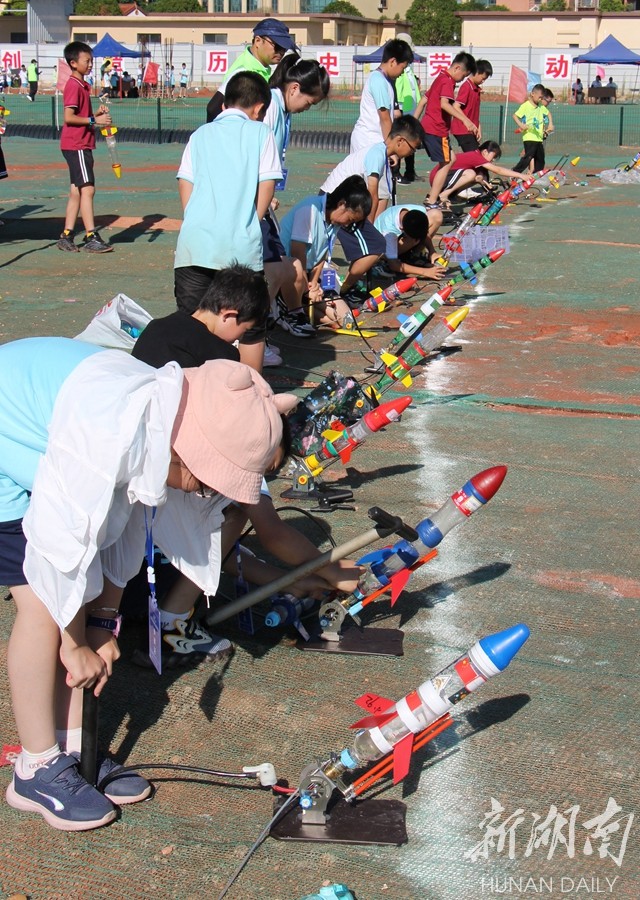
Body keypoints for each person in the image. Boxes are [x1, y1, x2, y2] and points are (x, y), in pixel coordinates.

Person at [0, 336, 291, 831]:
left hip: (43, 436)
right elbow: (60, 551)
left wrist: (104, 623)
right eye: (205, 481)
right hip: (7, 455)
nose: (203, 492)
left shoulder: (156, 423)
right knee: (43, 610)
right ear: (191, 451)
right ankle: (35, 765)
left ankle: (77, 744)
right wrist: (75, 644)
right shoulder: (106, 430)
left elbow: (127, 528)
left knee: (79, 601)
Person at [174, 71, 281, 372]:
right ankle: (250, 398)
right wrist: (250, 221)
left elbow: (186, 182)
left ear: (224, 104)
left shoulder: (200, 135)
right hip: (240, 246)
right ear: (259, 108)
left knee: (193, 322)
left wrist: (195, 218)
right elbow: (267, 185)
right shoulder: (261, 134)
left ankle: (191, 397)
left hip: (195, 245)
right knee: (249, 326)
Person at [319, 116, 428, 300]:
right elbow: (372, 193)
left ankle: (350, 287)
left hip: (342, 202)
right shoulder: (377, 154)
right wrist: (368, 226)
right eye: (413, 148)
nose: (412, 153)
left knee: (374, 244)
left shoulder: (380, 153)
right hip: (337, 205)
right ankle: (344, 290)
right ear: (401, 141)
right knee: (376, 245)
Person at [262, 54, 331, 340]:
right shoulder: (270, 108)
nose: (307, 108)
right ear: (293, 88)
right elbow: (258, 156)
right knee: (273, 269)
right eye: (309, 102)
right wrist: (263, 196)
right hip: (255, 201)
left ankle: (283, 314)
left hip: (263, 199)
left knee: (284, 267)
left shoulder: (282, 110)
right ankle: (258, 330)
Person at [278, 175, 372, 327]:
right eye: (350, 220)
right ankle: (288, 306)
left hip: (308, 276)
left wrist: (314, 284)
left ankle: (300, 303)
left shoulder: (334, 222)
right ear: (341, 204)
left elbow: (323, 255)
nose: (348, 225)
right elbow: (297, 253)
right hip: (291, 272)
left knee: (346, 321)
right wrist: (308, 288)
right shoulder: (310, 210)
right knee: (332, 321)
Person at [57, 41, 113, 254]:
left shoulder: (81, 85)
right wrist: (93, 120)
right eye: (86, 61)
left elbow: (81, 116)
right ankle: (91, 235)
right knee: (87, 189)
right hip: (77, 144)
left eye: (91, 61)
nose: (90, 64)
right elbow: (69, 117)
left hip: (79, 143)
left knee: (76, 192)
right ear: (73, 63)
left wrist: (95, 116)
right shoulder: (73, 85)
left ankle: (66, 235)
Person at [416, 51, 478, 209]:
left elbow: (424, 99)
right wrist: (465, 120)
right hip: (437, 129)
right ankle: (432, 200)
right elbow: (445, 104)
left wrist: (414, 121)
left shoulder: (440, 78)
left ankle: (437, 196)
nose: (462, 79)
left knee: (451, 160)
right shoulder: (448, 81)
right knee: (447, 162)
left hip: (430, 127)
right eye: (463, 76)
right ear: (457, 68)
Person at [206, 18, 296, 122]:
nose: (281, 52)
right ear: (258, 41)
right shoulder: (244, 71)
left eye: (284, 48)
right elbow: (213, 109)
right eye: (277, 46)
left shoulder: (260, 68)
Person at [350, 38, 414, 153]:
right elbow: (385, 118)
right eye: (402, 68)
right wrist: (391, 149)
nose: (402, 73)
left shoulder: (386, 80)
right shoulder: (378, 80)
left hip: (375, 141)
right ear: (393, 61)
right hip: (368, 142)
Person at [429, 140, 524, 205]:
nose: (493, 160)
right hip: (438, 178)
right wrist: (521, 175)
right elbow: (497, 170)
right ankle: (444, 195)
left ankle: (451, 195)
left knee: (476, 176)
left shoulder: (476, 157)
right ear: (485, 152)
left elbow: (479, 177)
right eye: (493, 156)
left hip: (443, 177)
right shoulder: (476, 156)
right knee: (470, 174)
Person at [374, 204, 445, 280]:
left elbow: (424, 232)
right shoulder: (389, 232)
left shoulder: (419, 211)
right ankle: (386, 262)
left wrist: (432, 251)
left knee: (436, 214)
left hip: (400, 238)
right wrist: (426, 272)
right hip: (380, 249)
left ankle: (414, 255)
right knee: (412, 241)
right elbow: (393, 265)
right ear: (402, 229)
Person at [393, 33, 421, 184]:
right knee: (399, 139)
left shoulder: (408, 67)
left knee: (411, 139)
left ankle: (410, 172)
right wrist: (397, 107)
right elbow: (396, 87)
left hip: (410, 107)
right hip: (401, 108)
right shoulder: (398, 66)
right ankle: (395, 172)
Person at [451, 58, 493, 152]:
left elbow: (474, 113)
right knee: (474, 157)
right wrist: (466, 121)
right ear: (476, 72)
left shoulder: (476, 89)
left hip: (471, 130)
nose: (483, 82)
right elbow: (456, 106)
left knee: (474, 156)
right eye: (483, 79)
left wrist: (479, 128)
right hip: (462, 129)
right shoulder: (466, 87)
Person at [512, 83, 546, 174]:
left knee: (540, 158)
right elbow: (515, 115)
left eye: (542, 98)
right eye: (539, 97)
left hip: (538, 137)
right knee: (528, 157)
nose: (541, 100)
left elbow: (548, 114)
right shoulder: (525, 106)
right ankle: (515, 172)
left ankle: (536, 174)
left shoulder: (540, 106)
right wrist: (521, 125)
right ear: (532, 94)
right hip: (529, 136)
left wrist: (550, 124)